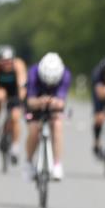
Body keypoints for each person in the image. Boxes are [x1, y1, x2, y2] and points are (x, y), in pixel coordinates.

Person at [24, 52, 71, 181]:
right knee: (34, 129)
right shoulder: (33, 73)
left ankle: (57, 164)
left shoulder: (65, 75)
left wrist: (55, 102)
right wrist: (40, 101)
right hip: (35, 102)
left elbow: (61, 100)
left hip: (54, 105)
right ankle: (28, 162)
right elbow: (30, 101)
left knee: (57, 125)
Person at [0, 45, 27, 164]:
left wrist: (22, 100)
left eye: (8, 61)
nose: (6, 64)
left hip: (15, 91)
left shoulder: (18, 65)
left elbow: (21, 83)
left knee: (15, 117)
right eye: (2, 62)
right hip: (2, 89)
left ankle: (15, 147)